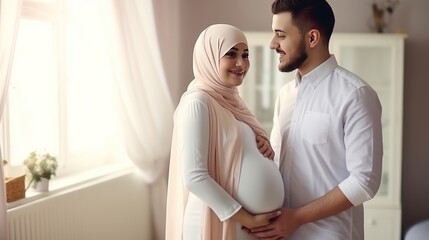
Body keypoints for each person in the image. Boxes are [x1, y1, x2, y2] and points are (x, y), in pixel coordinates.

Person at [247, 0, 384, 239]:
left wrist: (297, 217)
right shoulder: (285, 95)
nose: (272, 44)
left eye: (280, 35)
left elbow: (364, 182)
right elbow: (278, 163)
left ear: (312, 38)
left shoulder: (356, 95)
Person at [165, 24, 284, 240]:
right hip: (218, 219)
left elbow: (233, 146)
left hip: (243, 225)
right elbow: (194, 176)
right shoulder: (198, 101)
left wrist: (259, 143)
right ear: (209, 57)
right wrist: (249, 219)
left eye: (245, 55)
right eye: (231, 54)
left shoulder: (231, 102)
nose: (241, 63)